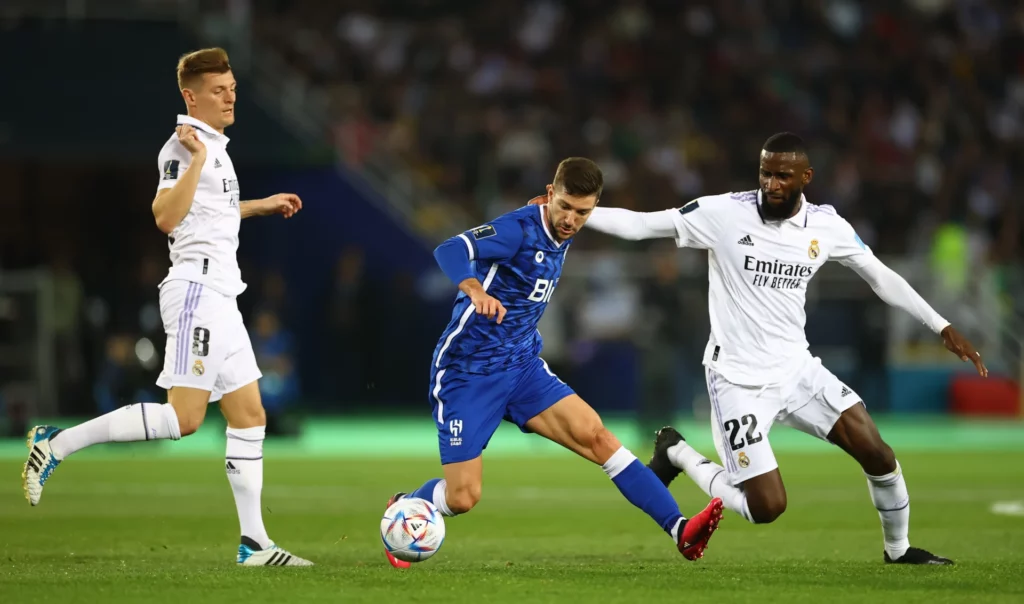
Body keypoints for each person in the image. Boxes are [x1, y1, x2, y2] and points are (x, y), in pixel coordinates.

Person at [542, 133, 987, 565]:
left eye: (782, 176)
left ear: (806, 177)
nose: (771, 184)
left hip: (798, 371)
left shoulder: (827, 226)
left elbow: (879, 276)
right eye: (765, 173)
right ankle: (675, 451)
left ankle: (899, 550)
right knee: (766, 507)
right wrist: (570, 210)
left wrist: (941, 324)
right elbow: (642, 225)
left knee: (878, 453)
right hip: (737, 381)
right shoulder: (723, 213)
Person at [22, 48, 313, 568]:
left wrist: (260, 206)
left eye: (232, 89)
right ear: (190, 97)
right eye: (218, 91)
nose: (230, 98)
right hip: (197, 291)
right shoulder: (184, 147)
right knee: (183, 418)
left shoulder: (213, 146)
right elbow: (165, 216)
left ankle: (254, 544)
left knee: (249, 414)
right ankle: (57, 442)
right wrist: (196, 159)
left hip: (221, 293)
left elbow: (210, 211)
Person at [384, 158, 724, 569]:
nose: (570, 220)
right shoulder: (517, 230)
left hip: (522, 367)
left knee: (599, 438)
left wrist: (558, 209)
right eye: (564, 207)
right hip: (468, 372)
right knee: (463, 497)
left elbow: (584, 217)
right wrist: (474, 288)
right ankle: (407, 505)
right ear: (550, 194)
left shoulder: (565, 223)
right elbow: (450, 249)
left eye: (582, 212)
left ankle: (680, 530)